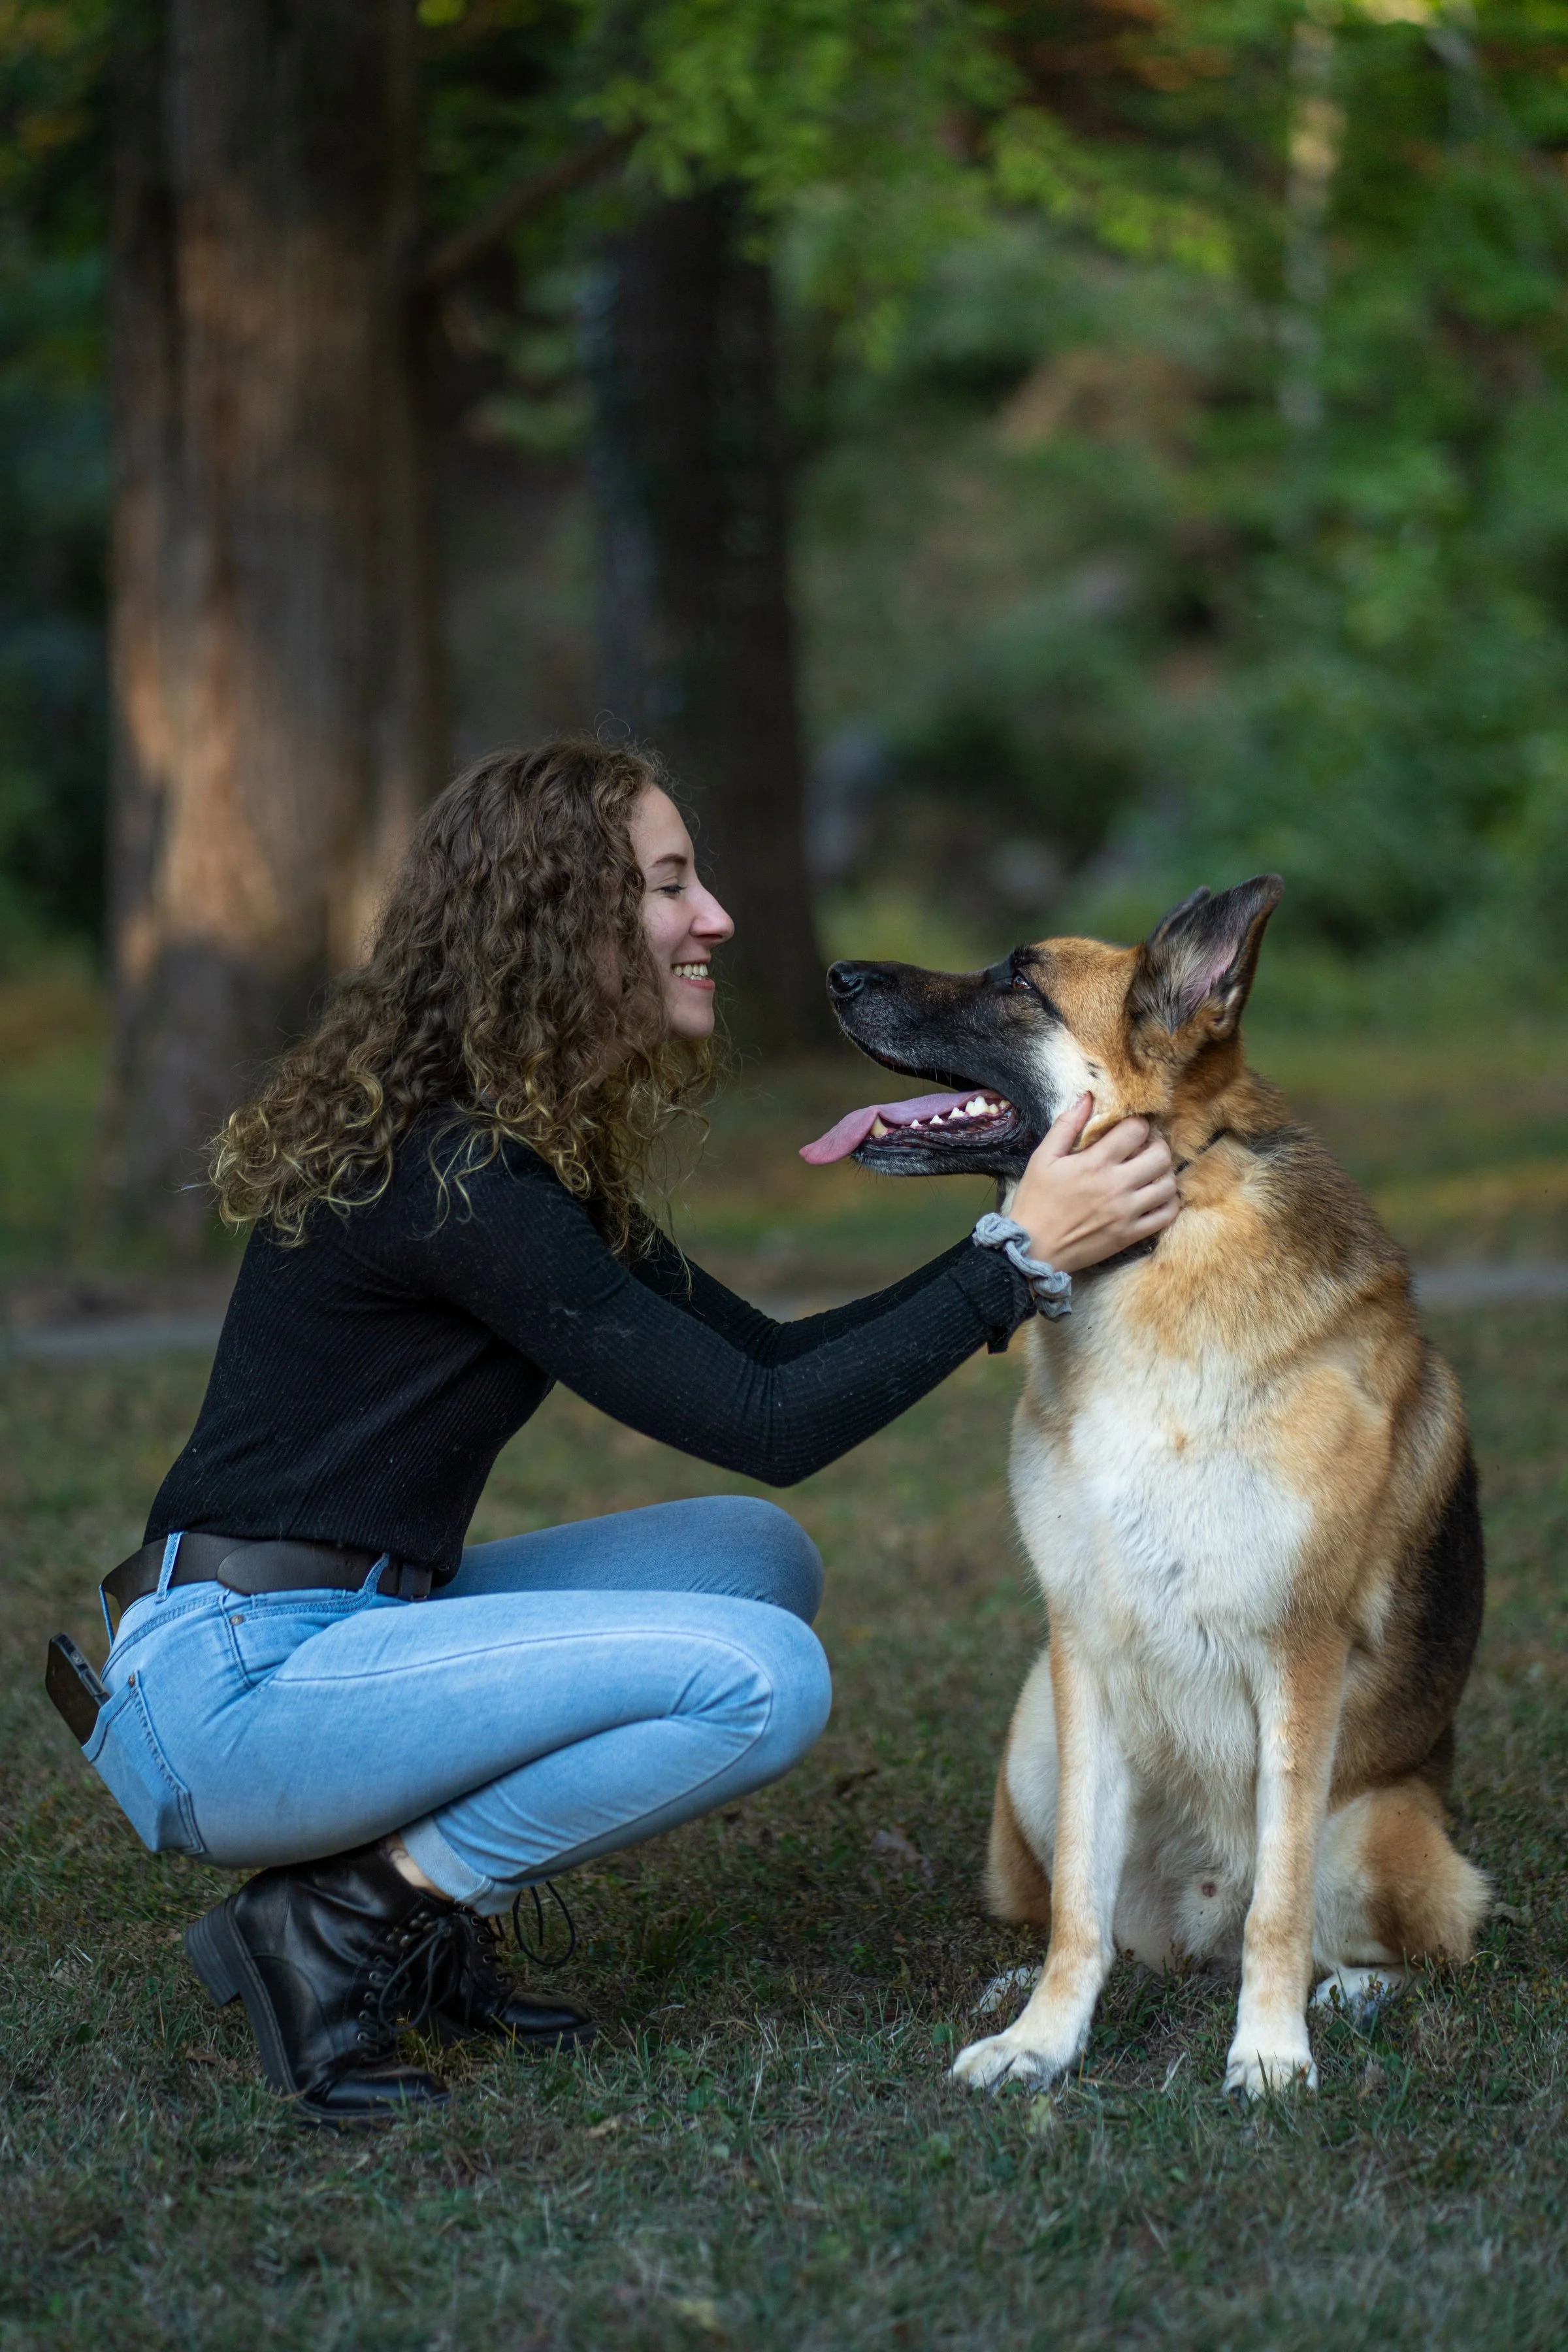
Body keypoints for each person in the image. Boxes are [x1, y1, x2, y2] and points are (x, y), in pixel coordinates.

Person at [87, 740, 1177, 2127]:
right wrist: (1014, 1259)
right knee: (759, 1678)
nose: (716, 916)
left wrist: (1005, 1251)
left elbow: (768, 1363)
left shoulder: (509, 1146)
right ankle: (347, 1919)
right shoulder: (457, 1172)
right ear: (567, 923)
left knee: (751, 1558)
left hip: (331, 1632)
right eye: (670, 887)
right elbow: (768, 1420)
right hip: (235, 1693)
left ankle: (374, 1905)